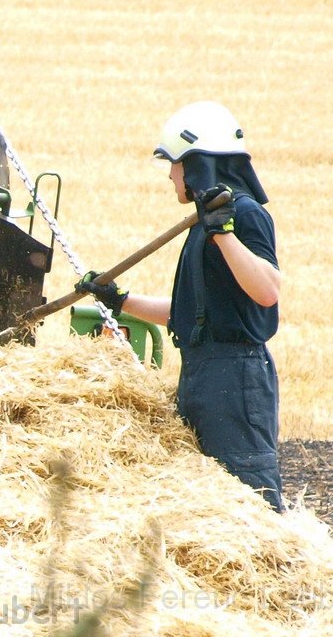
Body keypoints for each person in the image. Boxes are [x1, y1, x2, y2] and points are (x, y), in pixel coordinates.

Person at [76, 101, 284, 511]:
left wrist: (224, 235)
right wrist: (119, 301)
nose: (171, 175)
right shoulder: (206, 221)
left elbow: (267, 291)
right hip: (204, 373)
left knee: (249, 501)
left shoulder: (242, 215)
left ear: (196, 165)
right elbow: (189, 311)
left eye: (174, 164)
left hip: (236, 379)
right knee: (208, 505)